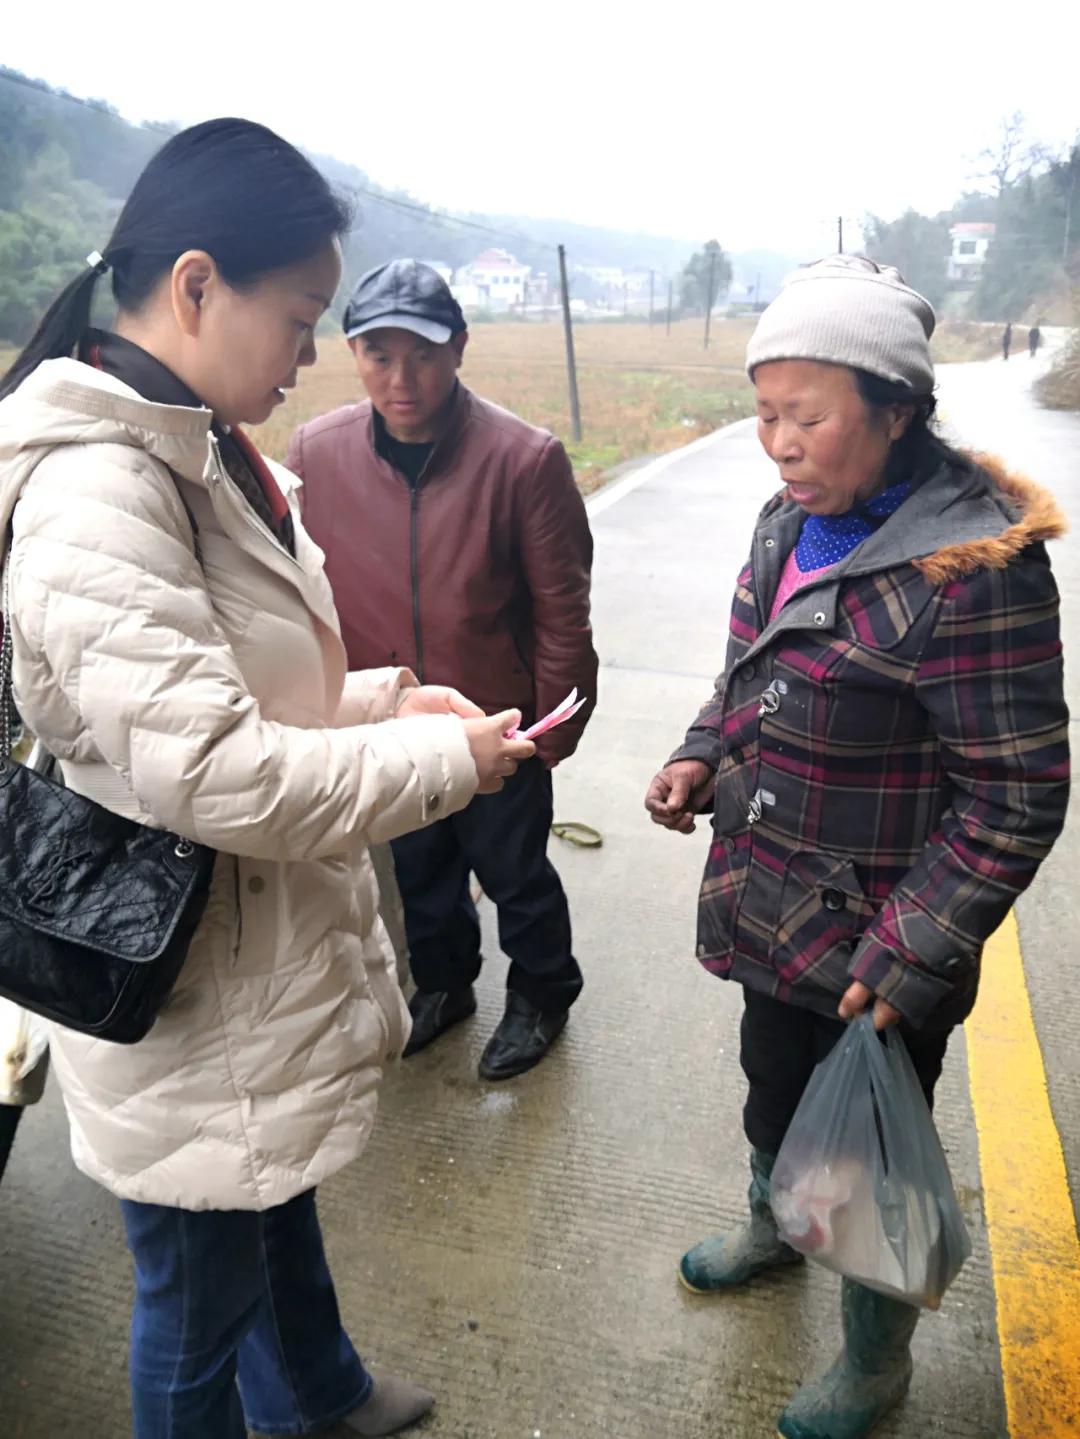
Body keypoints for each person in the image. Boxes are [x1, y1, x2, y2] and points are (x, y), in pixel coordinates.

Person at [0, 119, 533, 1439]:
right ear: (194, 285)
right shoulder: (94, 499)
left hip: (250, 949)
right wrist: (435, 761)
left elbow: (235, 696)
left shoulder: (194, 445)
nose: (314, 353)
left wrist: (387, 699)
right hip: (185, 968)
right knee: (191, 1302)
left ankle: (322, 1395)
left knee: (271, 1191)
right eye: (300, 316)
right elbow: (221, 773)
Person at [644, 254, 1069, 1439]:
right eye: (765, 411)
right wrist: (697, 752)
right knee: (772, 1091)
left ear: (894, 412)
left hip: (880, 950)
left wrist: (913, 948)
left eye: (807, 416)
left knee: (870, 1153)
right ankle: (774, 1228)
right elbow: (743, 674)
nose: (776, 441)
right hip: (769, 903)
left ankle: (876, 1365)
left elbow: (1017, 791)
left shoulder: (973, 574)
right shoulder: (791, 522)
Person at [287, 260, 598, 1082]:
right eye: (377, 355)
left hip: (499, 720)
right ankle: (444, 986)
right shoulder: (317, 455)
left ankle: (542, 991)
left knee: (515, 872)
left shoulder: (523, 460)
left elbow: (562, 607)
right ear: (353, 353)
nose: (401, 378)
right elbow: (304, 592)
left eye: (420, 354)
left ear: (457, 348)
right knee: (420, 871)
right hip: (388, 721)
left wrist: (550, 735)